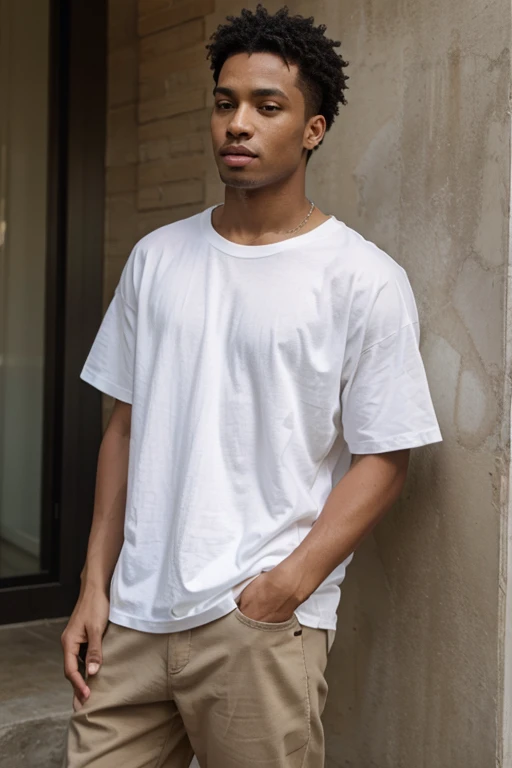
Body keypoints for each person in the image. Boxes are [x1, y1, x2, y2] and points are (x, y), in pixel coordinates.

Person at [61, 5, 442, 767]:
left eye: (268, 107)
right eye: (225, 101)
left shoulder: (362, 279)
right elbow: (125, 426)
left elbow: (385, 456)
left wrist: (284, 589)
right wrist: (92, 585)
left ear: (313, 129)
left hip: (256, 626)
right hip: (133, 618)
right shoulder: (157, 258)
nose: (238, 123)